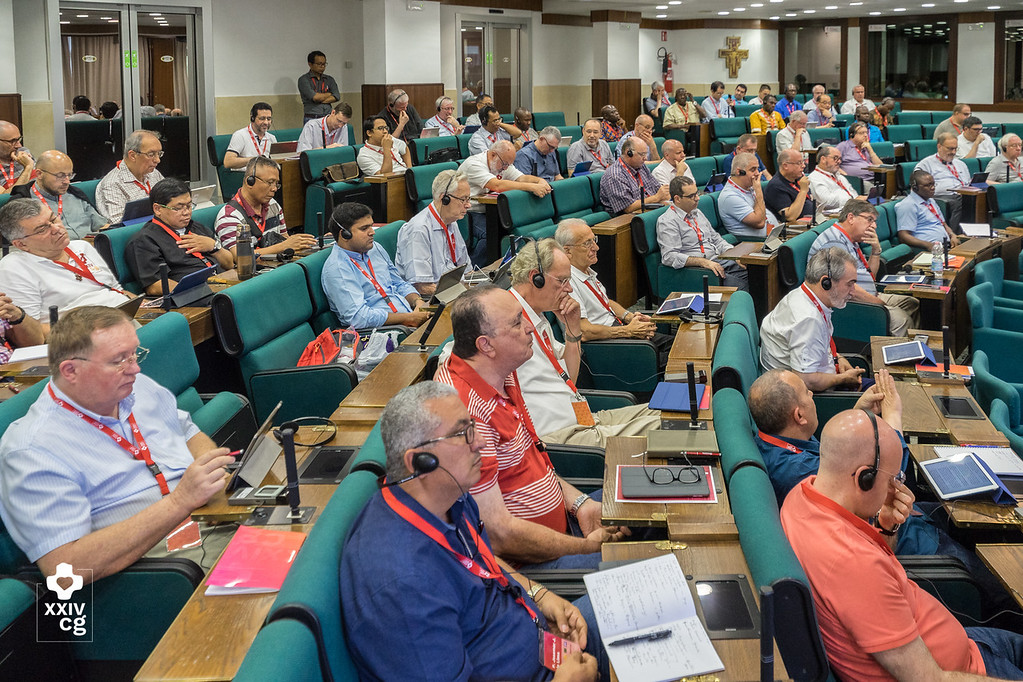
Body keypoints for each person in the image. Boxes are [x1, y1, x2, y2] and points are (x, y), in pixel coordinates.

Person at [339, 381, 604, 682]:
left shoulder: (450, 497)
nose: (480, 442)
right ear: (419, 462)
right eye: (462, 434)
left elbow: (483, 563)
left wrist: (539, 597)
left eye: (473, 427)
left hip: (542, 638)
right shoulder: (403, 585)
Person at [781, 408, 1023, 680]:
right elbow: (929, 678)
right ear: (864, 478)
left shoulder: (801, 496)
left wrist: (886, 525)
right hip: (960, 671)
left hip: (965, 647)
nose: (895, 489)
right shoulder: (854, 563)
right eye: (893, 479)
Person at [0, 306, 235, 585]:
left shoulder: (135, 386)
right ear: (71, 370)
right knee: (280, 565)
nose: (135, 368)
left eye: (134, 354)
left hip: (209, 515)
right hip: (158, 565)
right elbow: (65, 570)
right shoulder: (32, 450)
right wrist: (180, 502)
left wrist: (215, 479)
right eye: (118, 360)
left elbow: (189, 433)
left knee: (284, 524)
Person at [434, 285, 630, 570]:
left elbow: (533, 463)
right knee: (651, 560)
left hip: (566, 525)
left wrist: (581, 504)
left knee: (653, 509)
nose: (530, 328)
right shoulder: (465, 415)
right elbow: (500, 536)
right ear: (486, 345)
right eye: (517, 322)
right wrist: (585, 547)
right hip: (534, 564)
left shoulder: (503, 374)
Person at [504, 240, 662, 445]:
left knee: (668, 410)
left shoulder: (537, 315)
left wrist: (573, 329)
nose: (569, 289)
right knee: (668, 425)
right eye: (562, 281)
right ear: (537, 278)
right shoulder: (506, 324)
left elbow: (569, 376)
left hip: (583, 419)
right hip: (562, 434)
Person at [0, 198, 131, 331]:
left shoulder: (82, 246)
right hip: (86, 334)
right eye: (42, 229)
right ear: (21, 244)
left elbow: (117, 291)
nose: (56, 228)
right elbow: (32, 332)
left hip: (125, 317)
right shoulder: (14, 268)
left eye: (53, 219)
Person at [808, 199, 919, 336]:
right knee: (901, 319)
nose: (874, 226)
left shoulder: (850, 240)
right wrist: (881, 305)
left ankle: (911, 343)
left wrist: (876, 250)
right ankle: (890, 348)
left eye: (875, 221)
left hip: (867, 293)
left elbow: (870, 275)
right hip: (849, 305)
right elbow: (849, 291)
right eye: (869, 220)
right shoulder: (834, 243)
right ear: (851, 218)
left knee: (911, 303)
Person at [760, 247, 864, 391]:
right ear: (826, 282)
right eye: (849, 284)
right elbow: (806, 381)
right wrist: (843, 378)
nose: (853, 292)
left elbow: (815, 347)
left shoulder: (801, 295)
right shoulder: (808, 319)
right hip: (816, 395)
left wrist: (838, 359)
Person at [555, 219, 669, 348]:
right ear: (567, 251)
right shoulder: (567, 282)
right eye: (587, 243)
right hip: (606, 345)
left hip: (617, 329)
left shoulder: (586, 270)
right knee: (675, 354)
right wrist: (627, 331)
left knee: (676, 343)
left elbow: (604, 302)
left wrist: (629, 317)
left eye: (594, 240)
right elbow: (583, 332)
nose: (596, 247)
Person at [321, 202, 429, 329]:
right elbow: (358, 317)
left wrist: (418, 302)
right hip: (383, 331)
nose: (372, 232)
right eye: (364, 229)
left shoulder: (375, 248)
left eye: (371, 226)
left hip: (409, 319)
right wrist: (408, 318)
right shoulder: (337, 269)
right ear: (345, 234)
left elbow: (399, 283)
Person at [124, 178, 234, 295]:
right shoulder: (144, 240)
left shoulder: (196, 227)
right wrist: (201, 292)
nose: (186, 212)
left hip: (222, 284)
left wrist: (213, 246)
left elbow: (229, 264)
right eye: (178, 208)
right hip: (192, 295)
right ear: (158, 209)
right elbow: (155, 286)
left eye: (189, 205)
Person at [459, 140, 551, 263]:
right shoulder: (474, 164)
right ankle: (474, 267)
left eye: (508, 165)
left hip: (492, 211)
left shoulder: (503, 162)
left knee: (512, 231)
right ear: (493, 155)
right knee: (490, 234)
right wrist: (532, 187)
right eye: (504, 164)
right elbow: (497, 185)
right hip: (469, 212)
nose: (505, 168)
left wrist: (539, 181)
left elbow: (521, 178)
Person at [214, 157, 316, 261]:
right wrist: (283, 246)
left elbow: (284, 239)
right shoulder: (229, 216)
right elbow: (240, 258)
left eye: (276, 184)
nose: (274, 189)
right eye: (270, 182)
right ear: (250, 181)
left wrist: (300, 243)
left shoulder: (273, 205)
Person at [657, 177, 749, 290]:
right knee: (741, 286)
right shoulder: (667, 221)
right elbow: (669, 256)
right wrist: (703, 262)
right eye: (691, 196)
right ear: (677, 199)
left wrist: (735, 255)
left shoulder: (697, 213)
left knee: (755, 273)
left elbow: (716, 239)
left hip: (717, 261)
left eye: (697, 193)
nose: (697, 198)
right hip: (698, 270)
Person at [395, 169, 472, 297]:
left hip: (453, 290)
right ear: (444, 199)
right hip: (430, 299)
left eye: (469, 199)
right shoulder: (419, 230)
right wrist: (463, 292)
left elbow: (467, 270)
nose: (468, 205)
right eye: (463, 199)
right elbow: (422, 287)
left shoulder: (451, 221)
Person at [11, 150, 109, 238]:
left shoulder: (76, 195)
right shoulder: (23, 204)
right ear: (39, 174)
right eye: (60, 176)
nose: (67, 181)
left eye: (69, 175)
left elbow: (101, 226)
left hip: (88, 247)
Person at [95, 130, 165, 224]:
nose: (157, 160)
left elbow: (170, 198)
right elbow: (119, 224)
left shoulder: (153, 173)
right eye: (151, 154)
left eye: (159, 154)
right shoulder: (112, 184)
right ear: (132, 156)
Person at [598, 137, 669, 215]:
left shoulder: (641, 166)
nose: (645, 158)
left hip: (648, 209)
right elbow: (628, 208)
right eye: (642, 154)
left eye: (646, 154)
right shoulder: (615, 175)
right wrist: (656, 198)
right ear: (629, 153)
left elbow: (656, 188)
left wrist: (663, 195)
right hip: (627, 217)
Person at [895, 171, 961, 252]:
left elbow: (943, 224)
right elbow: (903, 236)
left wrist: (952, 235)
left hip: (945, 245)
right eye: (928, 185)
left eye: (933, 184)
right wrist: (928, 245)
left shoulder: (931, 201)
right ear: (915, 187)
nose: (932, 188)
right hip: (926, 249)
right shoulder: (908, 205)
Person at [915, 133, 969, 230]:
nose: (953, 152)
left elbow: (967, 183)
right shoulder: (926, 164)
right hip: (940, 196)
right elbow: (920, 187)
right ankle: (954, 234)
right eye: (950, 149)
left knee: (980, 198)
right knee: (961, 201)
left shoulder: (961, 164)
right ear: (939, 146)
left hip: (963, 194)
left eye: (955, 149)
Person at [718, 151, 778, 238]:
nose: (757, 173)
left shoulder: (749, 188)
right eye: (753, 170)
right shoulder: (730, 197)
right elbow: (759, 223)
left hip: (772, 237)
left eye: (757, 169)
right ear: (739, 172)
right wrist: (758, 191)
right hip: (755, 243)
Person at [809, 144, 862, 222]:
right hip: (831, 218)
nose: (839, 161)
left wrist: (858, 199)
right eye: (835, 158)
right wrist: (852, 200)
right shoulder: (814, 178)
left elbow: (853, 193)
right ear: (823, 159)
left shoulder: (839, 176)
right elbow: (826, 201)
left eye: (840, 159)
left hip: (850, 211)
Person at [765, 149, 815, 223]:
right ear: (785, 166)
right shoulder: (775, 186)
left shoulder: (798, 178)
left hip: (811, 221)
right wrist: (803, 191)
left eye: (803, 162)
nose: (804, 166)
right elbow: (790, 217)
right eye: (799, 163)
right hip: (795, 227)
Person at [223, 103, 277, 171]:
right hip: (246, 174)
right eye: (262, 118)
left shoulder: (272, 138)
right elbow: (228, 162)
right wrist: (254, 160)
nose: (266, 122)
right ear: (252, 118)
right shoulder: (240, 135)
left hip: (267, 173)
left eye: (268, 119)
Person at [298, 51, 340, 123]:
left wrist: (319, 99)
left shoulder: (329, 79)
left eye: (324, 64)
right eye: (319, 64)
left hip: (328, 116)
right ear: (310, 64)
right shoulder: (304, 79)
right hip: (312, 117)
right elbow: (315, 97)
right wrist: (329, 94)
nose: (322, 67)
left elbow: (337, 96)